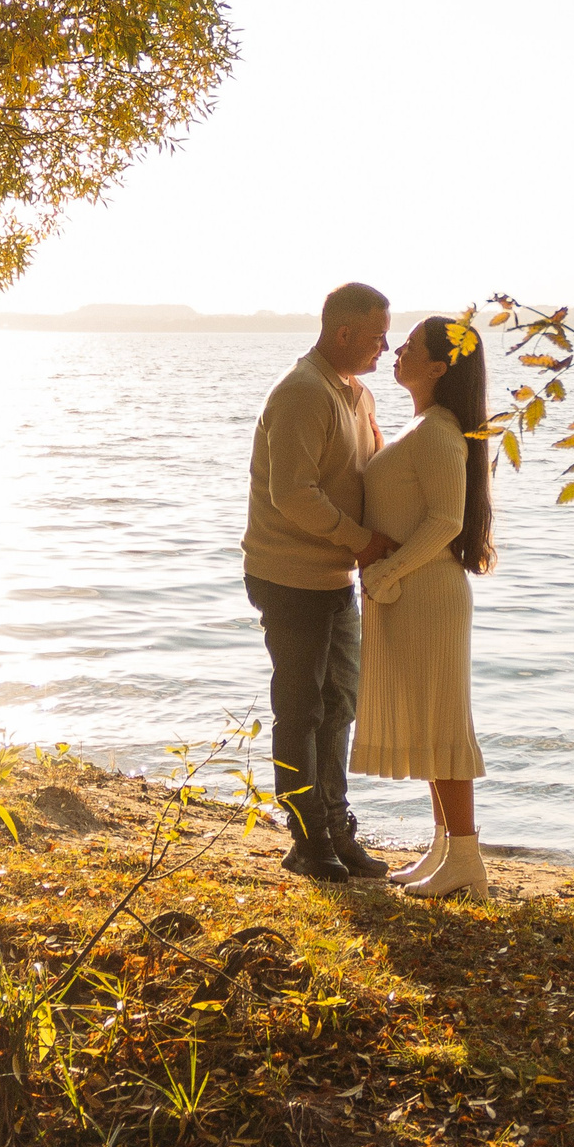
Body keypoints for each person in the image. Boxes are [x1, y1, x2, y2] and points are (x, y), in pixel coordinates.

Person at [243, 281, 396, 882]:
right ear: (344, 333)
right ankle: (307, 841)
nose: (385, 347)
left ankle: (335, 827)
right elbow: (293, 494)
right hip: (289, 576)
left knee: (340, 707)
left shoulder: (356, 395)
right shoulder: (303, 393)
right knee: (302, 709)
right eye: (379, 336)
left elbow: (367, 472)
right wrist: (359, 540)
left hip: (334, 576)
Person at [351, 315, 496, 900]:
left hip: (428, 592)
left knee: (443, 724)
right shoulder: (422, 425)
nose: (396, 351)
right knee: (430, 722)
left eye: (408, 346)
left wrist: (386, 570)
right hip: (410, 592)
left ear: (438, 367)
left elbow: (447, 521)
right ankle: (444, 848)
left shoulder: (439, 431)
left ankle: (467, 860)